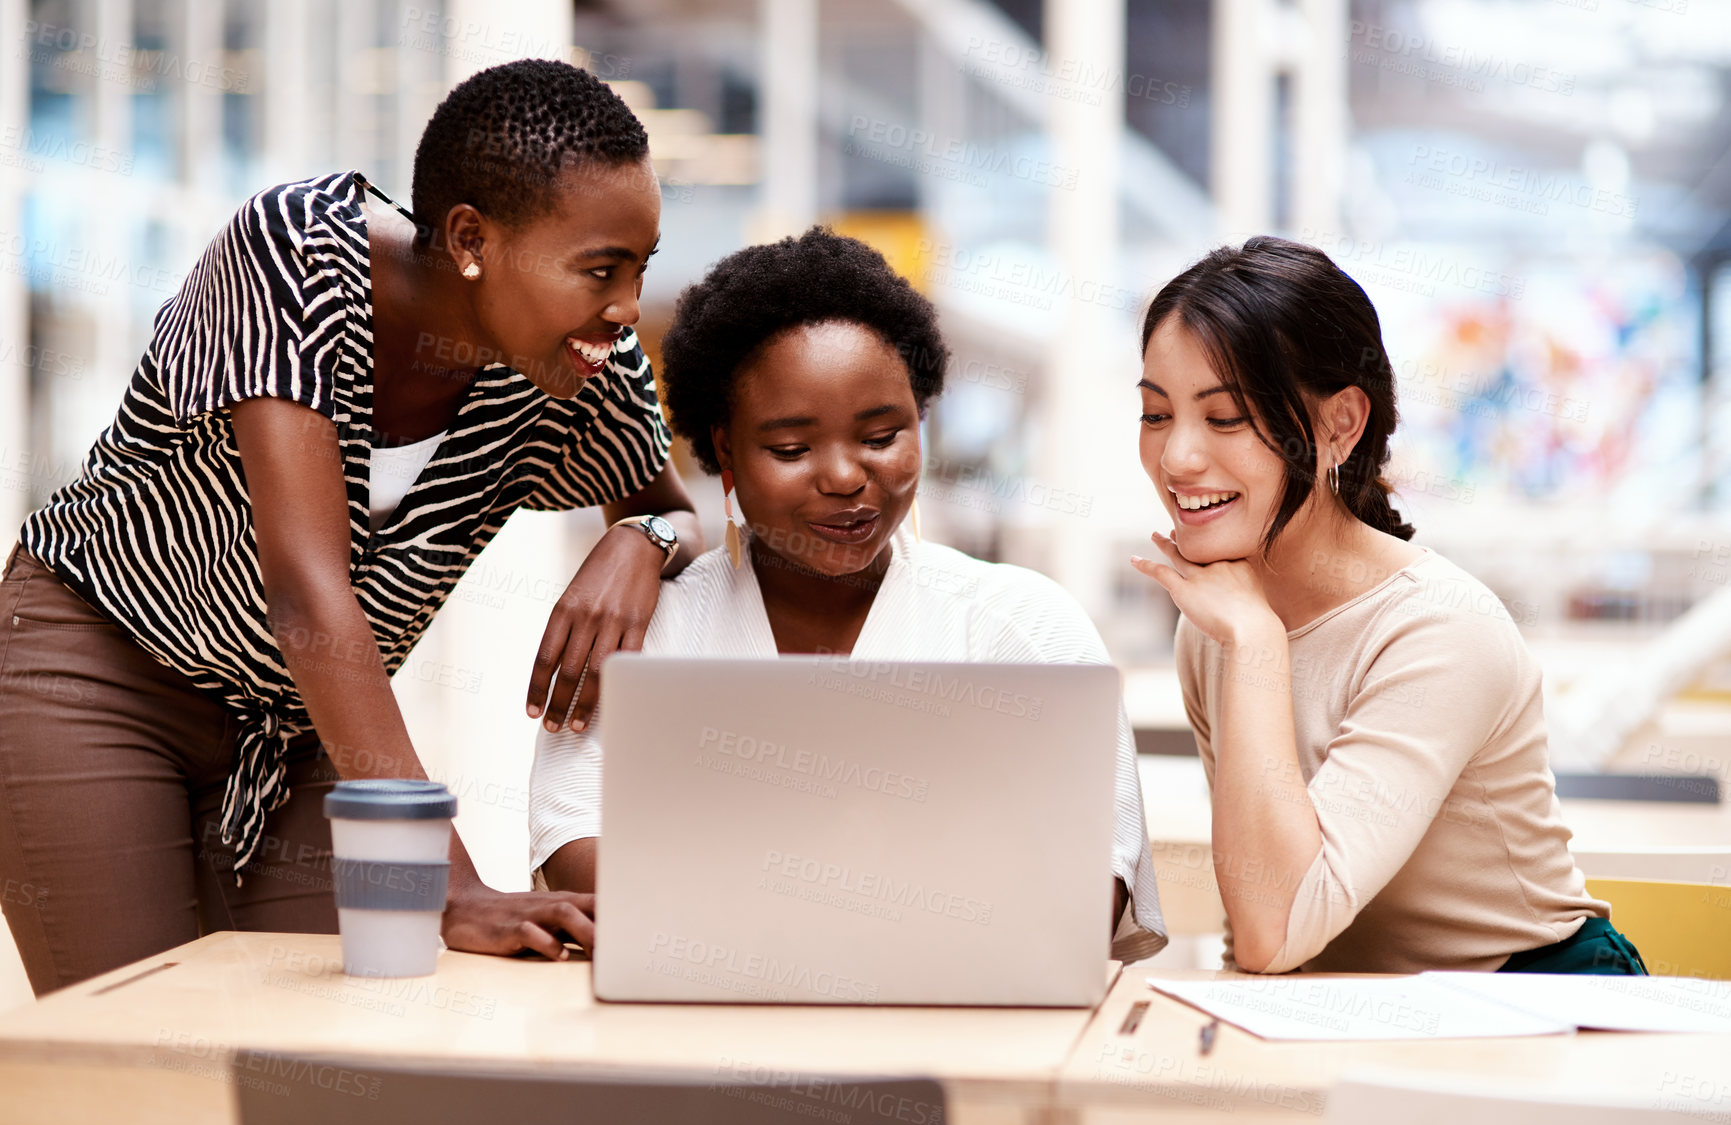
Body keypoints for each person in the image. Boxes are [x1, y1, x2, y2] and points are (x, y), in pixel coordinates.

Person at [0, 60, 702, 995]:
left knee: (358, 1028)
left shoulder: (581, 370)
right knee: (147, 1037)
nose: (624, 309)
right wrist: (446, 881)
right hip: (98, 676)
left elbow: (683, 521)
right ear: (468, 238)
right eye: (598, 270)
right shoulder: (296, 253)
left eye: (639, 269)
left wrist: (638, 541)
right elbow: (304, 587)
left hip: (298, 730)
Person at [529, 228, 1167, 960]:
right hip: (690, 1042)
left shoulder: (1024, 628)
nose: (842, 475)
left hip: (959, 1045)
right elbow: (575, 855)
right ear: (725, 452)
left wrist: (748, 902)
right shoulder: (646, 635)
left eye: (881, 434)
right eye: (791, 448)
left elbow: (1083, 895)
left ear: (920, 423)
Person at [1131, 236, 1643, 975]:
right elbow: (1258, 907)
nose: (1176, 457)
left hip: (1534, 999)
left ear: (1339, 424)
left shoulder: (1436, 627)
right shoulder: (1217, 624)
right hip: (1353, 1008)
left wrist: (1255, 645)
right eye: (1154, 415)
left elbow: (1274, 927)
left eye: (1225, 418)